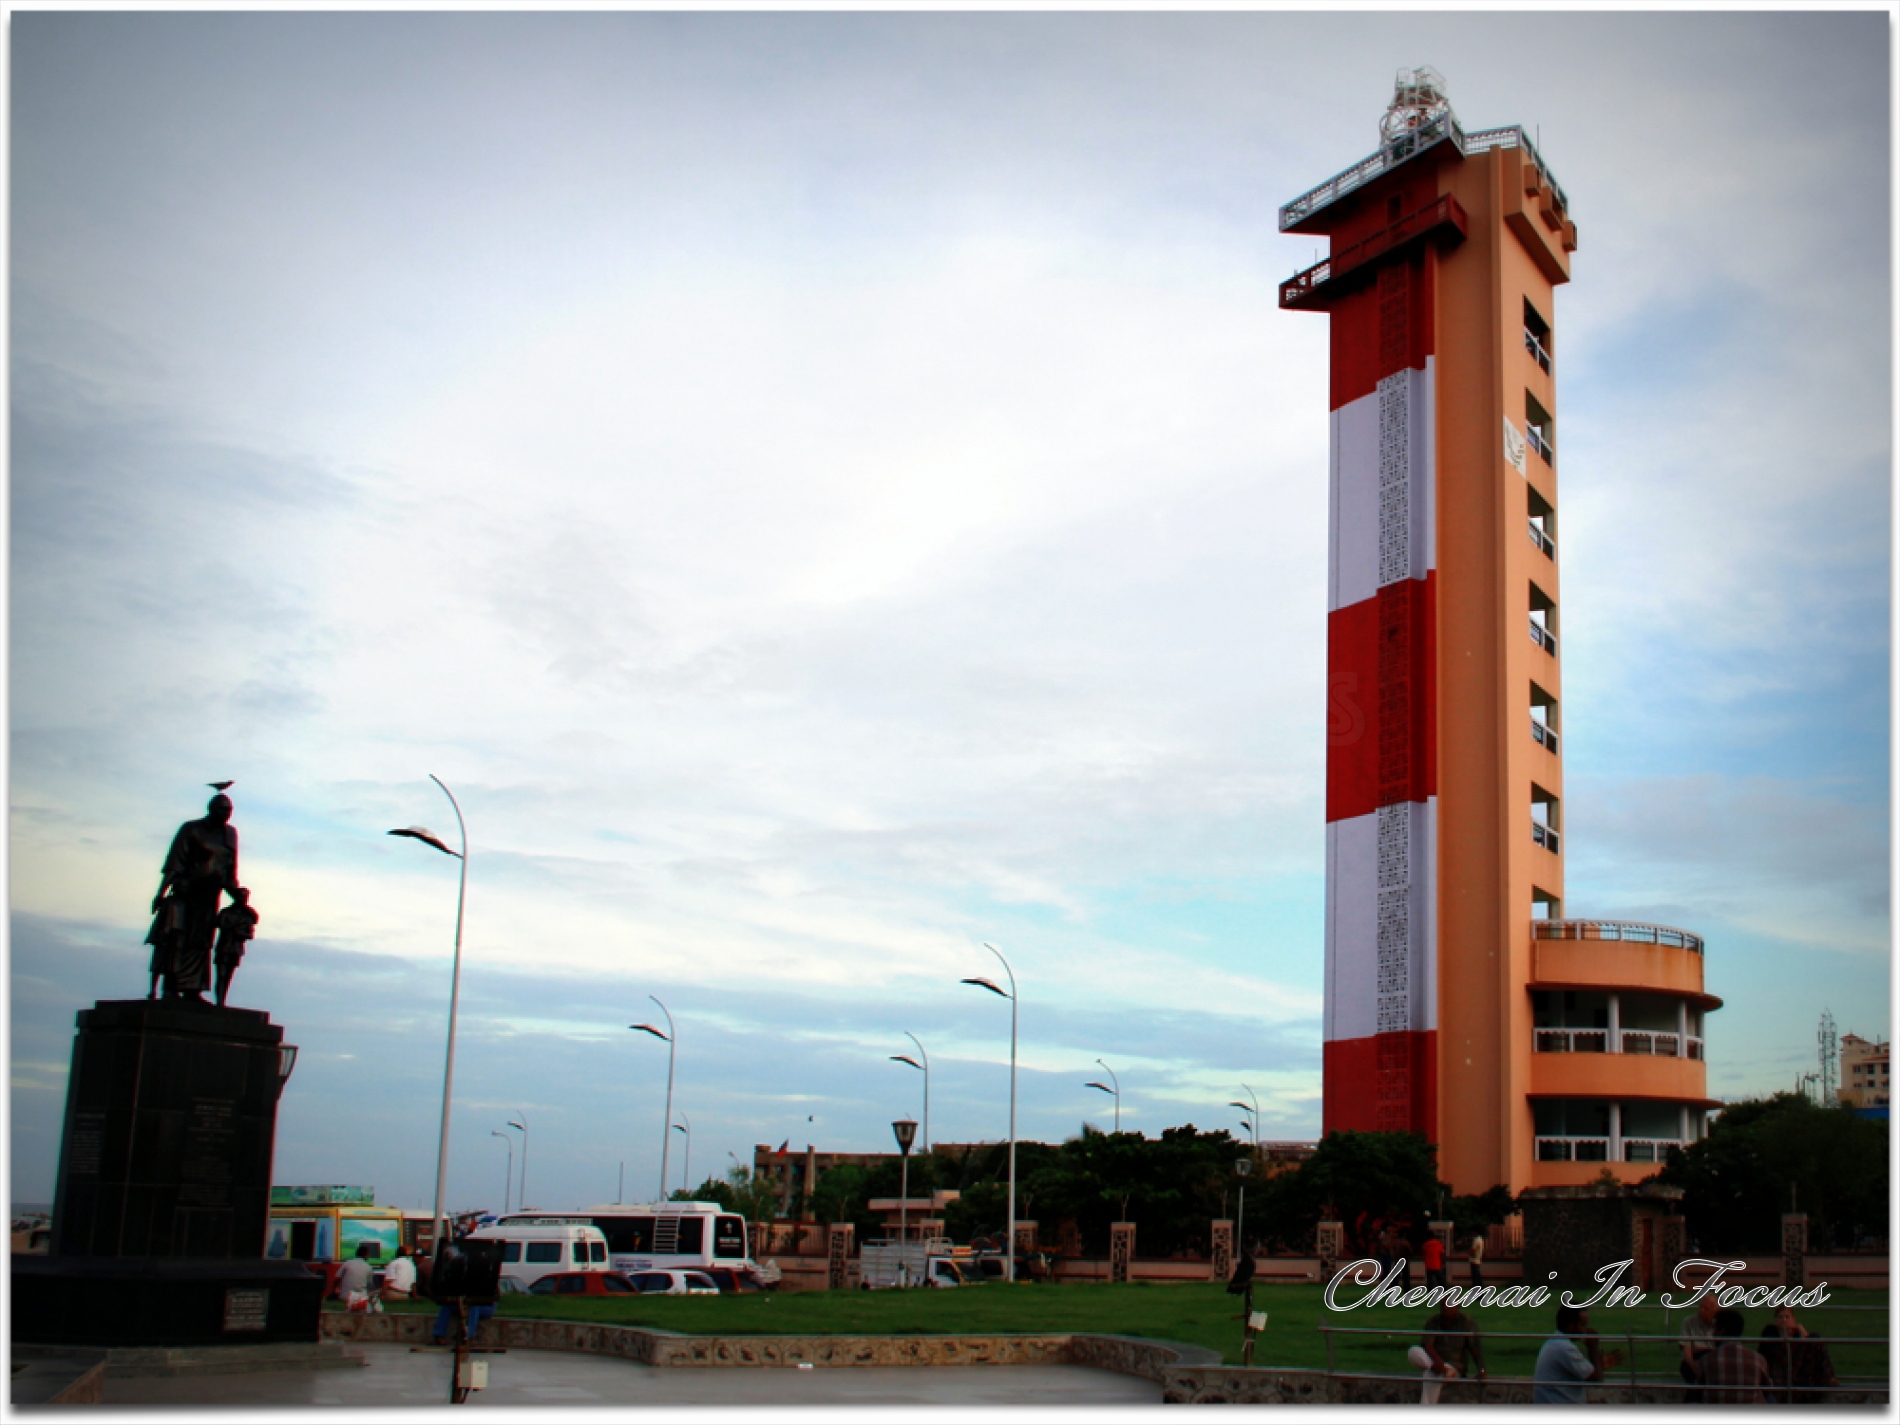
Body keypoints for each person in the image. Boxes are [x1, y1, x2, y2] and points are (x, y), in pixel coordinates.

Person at [149, 793, 240, 1000]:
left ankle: (193, 988)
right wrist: (161, 893)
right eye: (221, 809)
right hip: (188, 892)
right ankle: (170, 987)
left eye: (228, 810)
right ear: (211, 809)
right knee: (179, 938)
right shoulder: (192, 829)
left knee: (202, 941)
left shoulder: (230, 834)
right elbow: (175, 862)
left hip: (210, 895)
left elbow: (230, 871)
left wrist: (239, 898)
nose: (225, 814)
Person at [1758, 1304, 1838, 1403]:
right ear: (1776, 1320)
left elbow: (1811, 1355)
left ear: (1794, 1319)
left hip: (1801, 1374)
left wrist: (1805, 1336)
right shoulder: (1770, 1334)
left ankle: (1828, 1378)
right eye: (1780, 1317)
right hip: (1779, 1375)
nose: (1784, 1320)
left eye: (1787, 1317)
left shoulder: (1800, 1336)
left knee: (1815, 1340)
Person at [1532, 1305, 1610, 1404]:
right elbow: (1596, 1380)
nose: (1585, 1331)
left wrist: (1599, 1364)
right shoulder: (1565, 1348)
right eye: (1582, 1325)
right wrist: (1593, 1347)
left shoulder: (1555, 1342)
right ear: (1570, 1325)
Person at [1696, 1309, 1769, 1404]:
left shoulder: (1707, 1360)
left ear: (1721, 1331)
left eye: (1714, 1329)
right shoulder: (1758, 1360)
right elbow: (1767, 1388)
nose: (1712, 1334)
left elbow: (1697, 1389)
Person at [212, 887, 259, 1008]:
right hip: (224, 946)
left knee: (228, 976)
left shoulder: (247, 915)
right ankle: (219, 1001)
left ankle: (222, 999)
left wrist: (240, 933)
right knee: (221, 975)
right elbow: (219, 924)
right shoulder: (226, 912)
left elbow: (250, 934)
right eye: (241, 896)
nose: (243, 899)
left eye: (245, 897)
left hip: (236, 948)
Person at [1422, 1301, 1487, 1386]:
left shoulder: (1466, 1323)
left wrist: (1482, 1370)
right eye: (1442, 1305)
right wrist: (1439, 1363)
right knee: (1414, 1352)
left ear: (1457, 1307)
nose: (1445, 1308)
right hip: (1436, 1365)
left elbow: (1475, 1349)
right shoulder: (1433, 1322)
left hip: (1456, 1368)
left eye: (1449, 1305)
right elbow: (1428, 1346)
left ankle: (1448, 1372)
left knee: (1432, 1378)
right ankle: (1444, 1371)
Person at [1678, 1292, 1719, 1402]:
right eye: (1700, 1307)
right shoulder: (1689, 1322)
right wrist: (1694, 1365)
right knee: (1694, 1376)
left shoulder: (1720, 1325)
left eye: (1706, 1309)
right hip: (1695, 1361)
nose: (1701, 1311)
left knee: (1698, 1383)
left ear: (1716, 1310)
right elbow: (1686, 1350)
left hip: (1714, 1362)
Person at [336, 1242, 377, 1312]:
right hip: (360, 1297)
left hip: (344, 1296)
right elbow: (370, 1285)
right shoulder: (368, 1267)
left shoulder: (347, 1263)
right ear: (366, 1255)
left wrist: (335, 1290)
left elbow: (337, 1278)